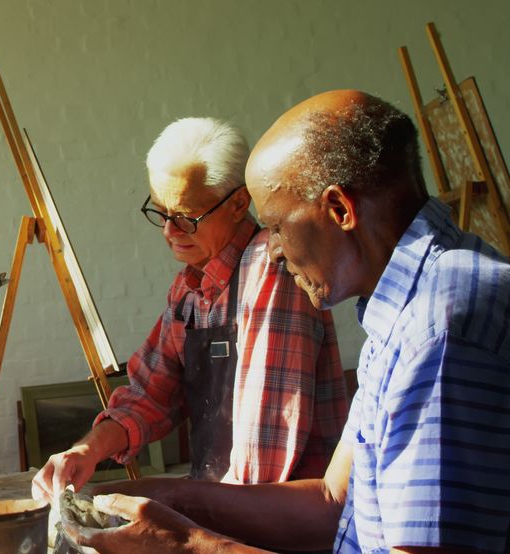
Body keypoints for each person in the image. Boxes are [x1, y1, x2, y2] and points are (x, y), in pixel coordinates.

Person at [63, 91, 510, 553]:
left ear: (340, 210)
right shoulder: (401, 311)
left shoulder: (439, 327)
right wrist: (166, 498)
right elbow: (333, 499)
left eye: (276, 226)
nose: (273, 247)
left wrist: (186, 543)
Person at [33, 117, 348, 502]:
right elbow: (151, 392)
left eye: (185, 217)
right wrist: (89, 449)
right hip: (226, 508)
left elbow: (262, 462)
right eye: (160, 212)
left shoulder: (273, 269)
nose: (169, 231)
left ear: (238, 204)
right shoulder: (190, 287)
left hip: (283, 523)